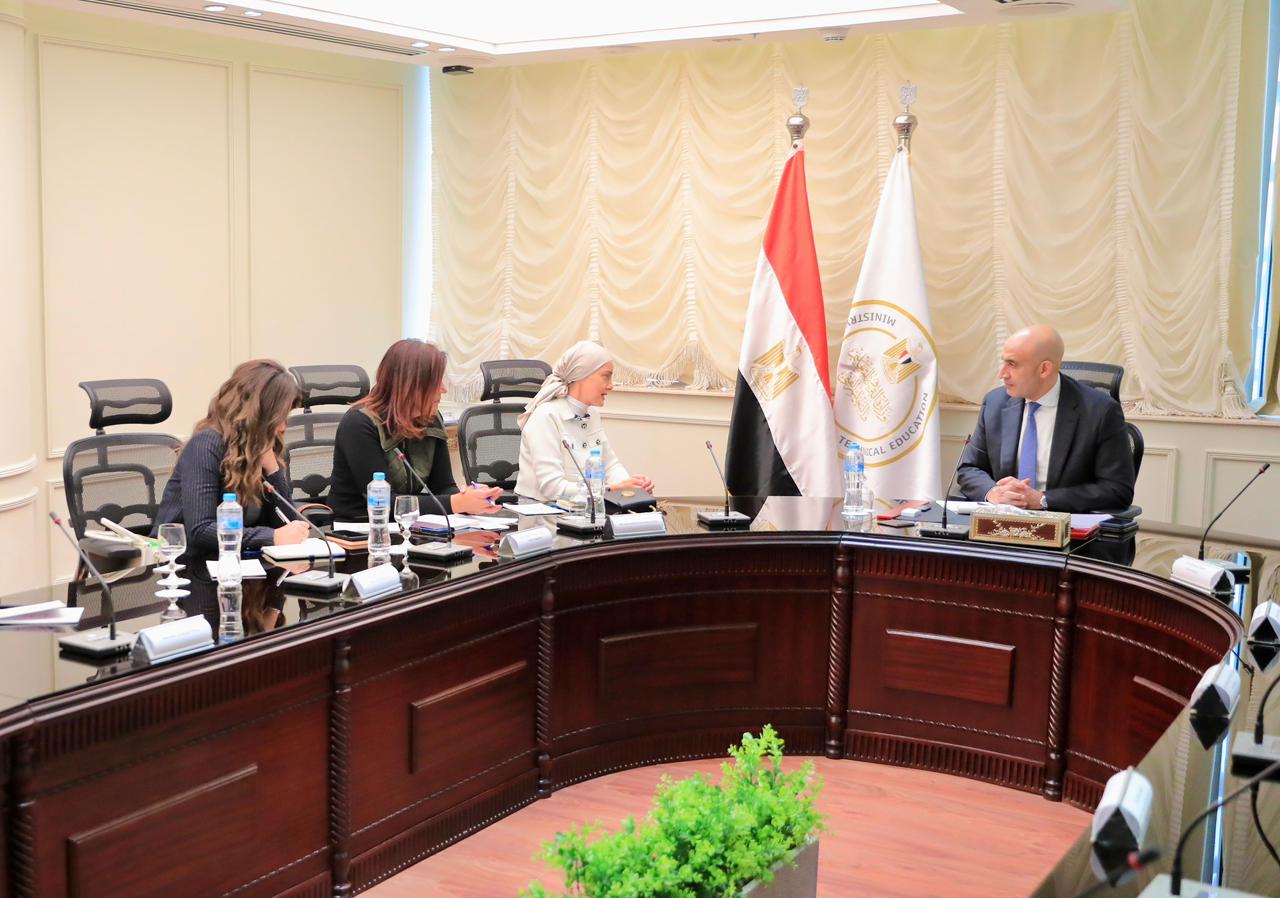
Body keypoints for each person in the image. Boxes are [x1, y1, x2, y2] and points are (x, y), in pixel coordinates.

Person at [955, 324, 1135, 513]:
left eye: (1012, 364)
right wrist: (993, 492)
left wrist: (1043, 499)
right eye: (1003, 362)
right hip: (1001, 521)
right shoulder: (995, 403)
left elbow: (1117, 489)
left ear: (1044, 369)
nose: (1002, 374)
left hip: (1064, 523)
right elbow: (969, 468)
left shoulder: (1100, 411)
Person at [155, 359, 311, 568]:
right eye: (278, 418)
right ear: (257, 413)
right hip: (186, 567)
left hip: (238, 564)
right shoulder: (206, 445)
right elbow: (200, 530)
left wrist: (273, 470)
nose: (283, 427)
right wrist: (271, 536)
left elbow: (288, 526)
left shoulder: (262, 445)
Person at [328, 339, 502, 521]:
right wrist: (456, 503)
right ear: (410, 385)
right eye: (435, 382)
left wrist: (470, 500)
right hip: (360, 526)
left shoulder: (431, 418)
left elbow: (443, 487)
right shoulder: (359, 423)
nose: (443, 389)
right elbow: (383, 502)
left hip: (409, 524)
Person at [515, 340, 654, 503]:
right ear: (582, 376)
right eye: (606, 376)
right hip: (543, 511)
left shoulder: (592, 414)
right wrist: (611, 490)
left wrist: (631, 487)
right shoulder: (545, 416)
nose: (611, 385)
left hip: (584, 508)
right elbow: (552, 488)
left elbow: (610, 465)